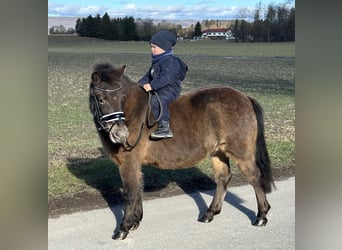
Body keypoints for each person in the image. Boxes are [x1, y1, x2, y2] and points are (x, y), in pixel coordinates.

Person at [138, 30, 188, 139]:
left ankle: (164, 127)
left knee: (156, 100)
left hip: (170, 88)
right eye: (151, 47)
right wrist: (137, 86)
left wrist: (152, 86)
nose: (152, 50)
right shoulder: (157, 61)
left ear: (164, 47)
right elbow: (147, 76)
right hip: (159, 87)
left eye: (154, 47)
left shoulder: (170, 61)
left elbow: (166, 77)